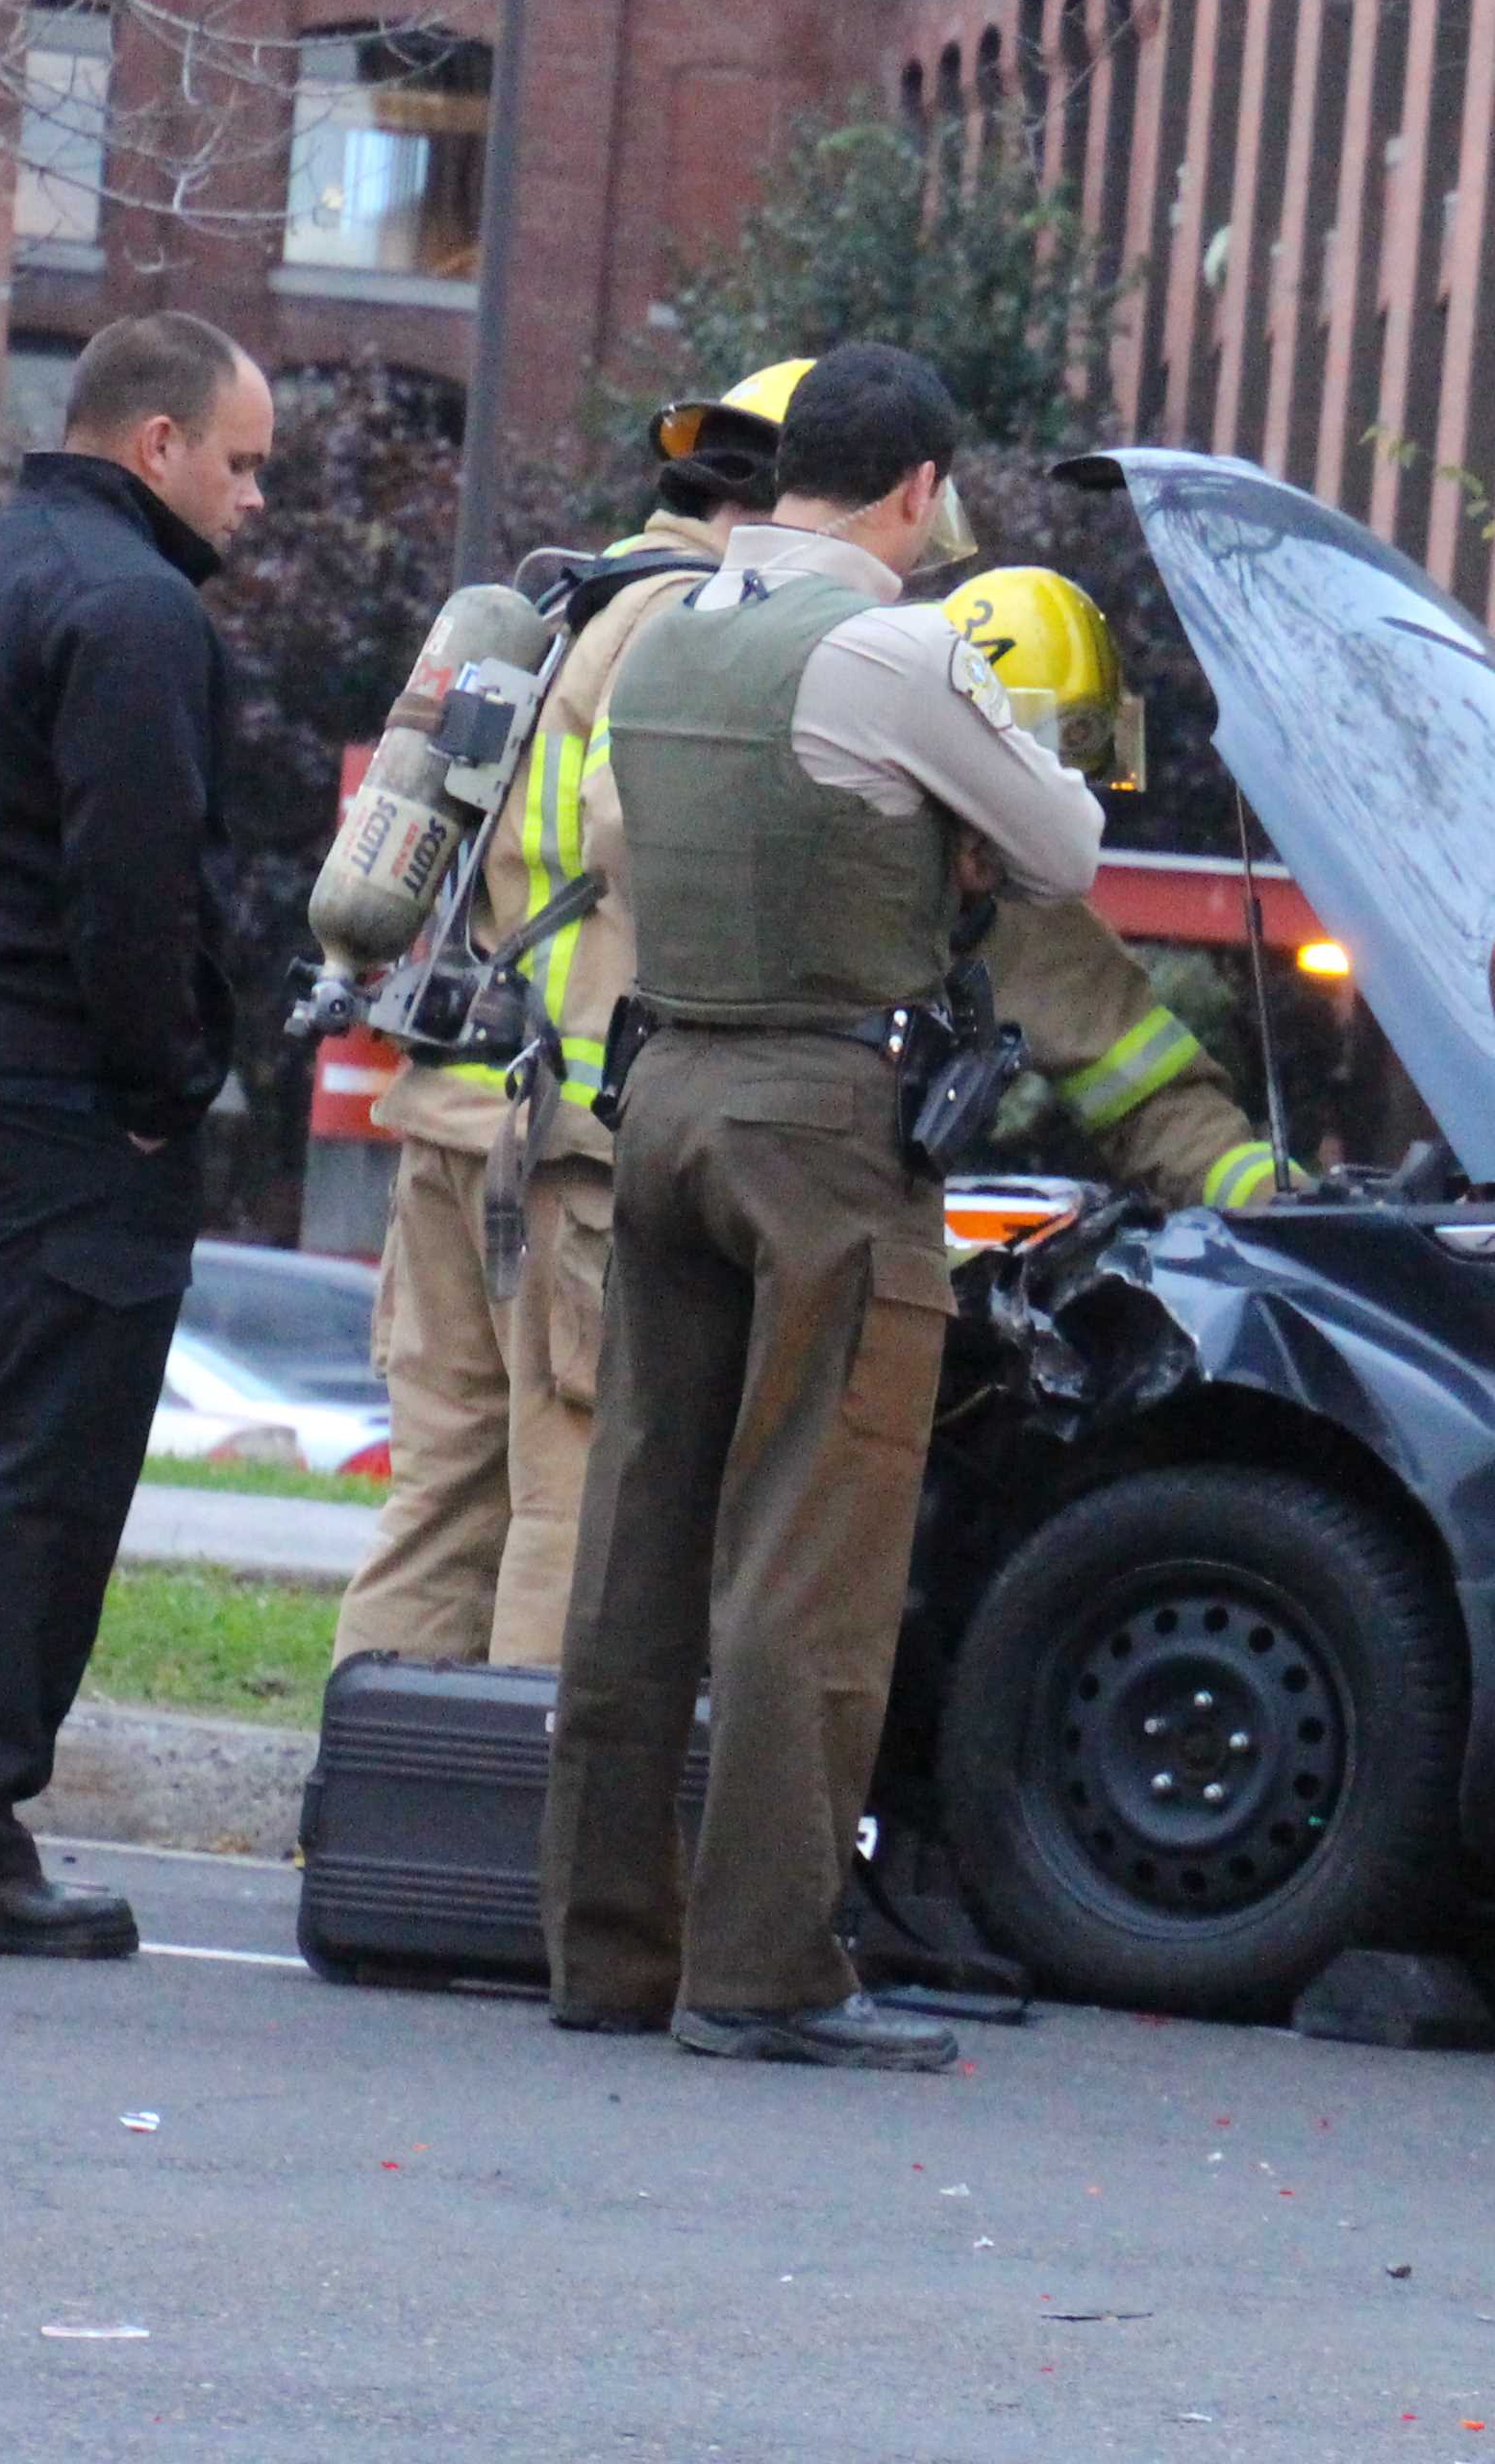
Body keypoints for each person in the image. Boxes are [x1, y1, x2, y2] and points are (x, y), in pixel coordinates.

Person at [541, 343, 1106, 2070]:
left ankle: (606, 1950)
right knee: (811, 1542)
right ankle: (766, 1965)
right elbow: (1062, 845)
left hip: (661, 1098)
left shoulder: (666, 629)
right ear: (918, 488)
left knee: (637, 1526)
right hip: (823, 1124)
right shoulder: (893, 644)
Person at [0, 311, 274, 1958]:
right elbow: (137, 886)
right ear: (154, 445)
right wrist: (167, 1086)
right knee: (37, 1465)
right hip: (57, 1083)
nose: (250, 501)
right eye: (239, 464)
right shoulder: (135, 614)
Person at [327, 362, 791, 1671]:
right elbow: (647, 846)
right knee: (569, 1506)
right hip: (565, 1158)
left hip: (449, 1115)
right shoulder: (692, 629)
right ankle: (523, 1852)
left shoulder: (558, 603)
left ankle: (367, 1826)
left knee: (441, 1499)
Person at [939, 564, 1293, 1212]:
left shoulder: (1027, 921)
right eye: (1046, 783)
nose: (1068, 815)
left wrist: (1287, 1210)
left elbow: (1156, 1103)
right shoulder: (828, 871)